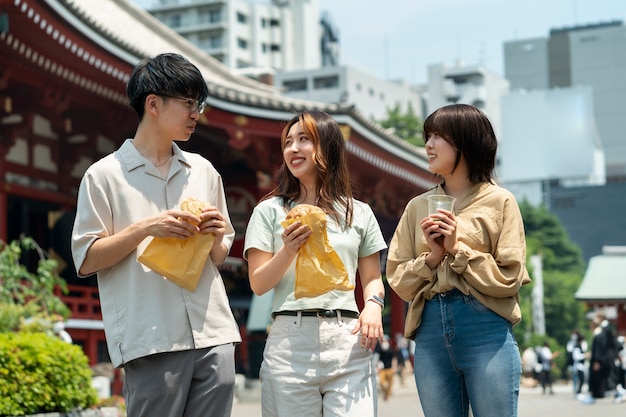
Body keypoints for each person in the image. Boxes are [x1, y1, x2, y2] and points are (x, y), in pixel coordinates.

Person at [71, 53, 241, 417]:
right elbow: (85, 259)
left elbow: (220, 253)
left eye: (199, 104)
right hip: (151, 339)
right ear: (153, 104)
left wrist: (214, 237)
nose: (197, 113)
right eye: (189, 103)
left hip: (214, 332)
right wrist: (145, 228)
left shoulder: (204, 171)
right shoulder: (104, 176)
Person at [386, 103, 531, 417]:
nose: (428, 145)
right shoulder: (416, 207)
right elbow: (398, 279)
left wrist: (458, 249)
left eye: (438, 136)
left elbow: (509, 278)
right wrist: (434, 256)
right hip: (429, 332)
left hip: (486, 326)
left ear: (467, 141)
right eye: (427, 136)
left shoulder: (500, 201)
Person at [244, 110, 387, 417]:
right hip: (290, 343)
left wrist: (373, 305)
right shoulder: (269, 211)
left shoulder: (358, 212)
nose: (293, 148)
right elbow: (258, 283)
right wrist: (288, 250)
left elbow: (373, 277)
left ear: (328, 147)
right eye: (288, 142)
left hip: (348, 339)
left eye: (304, 139)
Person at [374, 335, 396, 401]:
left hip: (389, 369)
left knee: (390, 383)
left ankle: (387, 395)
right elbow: (377, 360)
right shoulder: (379, 350)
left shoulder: (391, 350)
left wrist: (394, 367)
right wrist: (377, 367)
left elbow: (394, 359)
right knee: (381, 382)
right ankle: (386, 393)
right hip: (382, 370)